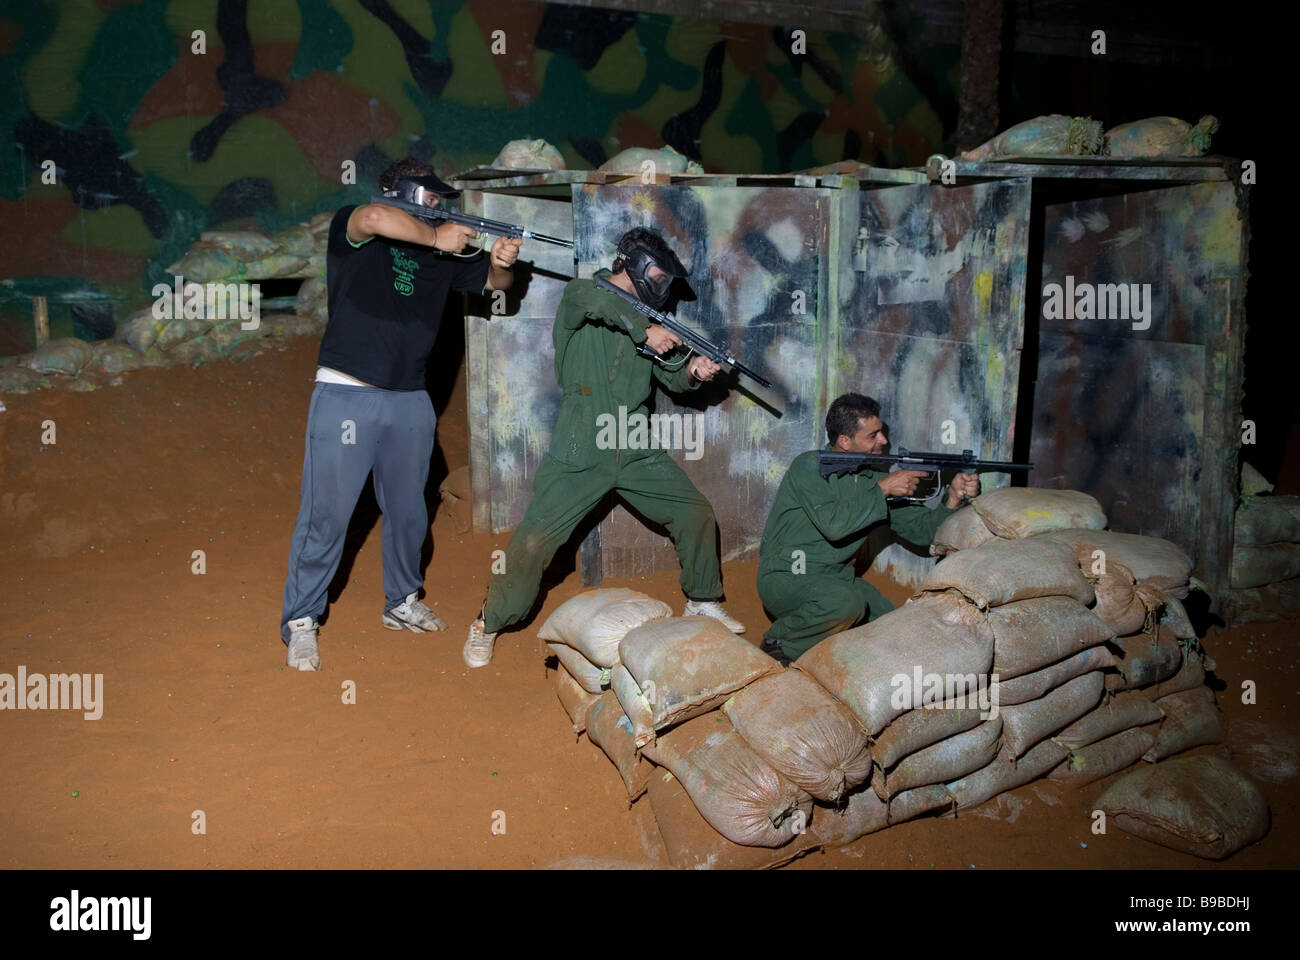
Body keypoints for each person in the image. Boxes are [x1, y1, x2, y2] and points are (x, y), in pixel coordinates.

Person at [279, 157, 520, 671]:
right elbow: (372, 219)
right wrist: (437, 238)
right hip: (346, 392)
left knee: (410, 510)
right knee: (327, 514)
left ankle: (402, 602)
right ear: (404, 192)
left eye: (441, 202)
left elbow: (496, 284)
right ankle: (301, 620)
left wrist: (501, 259)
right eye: (431, 199)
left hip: (410, 397)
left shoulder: (443, 252)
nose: (439, 207)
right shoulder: (361, 226)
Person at [464, 227, 745, 668]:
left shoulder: (654, 319)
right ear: (631, 262)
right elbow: (592, 300)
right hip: (582, 442)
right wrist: (644, 330)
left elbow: (672, 376)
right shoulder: (584, 294)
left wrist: (695, 370)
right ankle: (489, 621)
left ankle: (702, 600)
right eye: (656, 272)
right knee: (533, 542)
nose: (663, 284)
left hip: (633, 440)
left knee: (694, 511)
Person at [756, 392, 980, 664]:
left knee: (901, 627)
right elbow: (835, 526)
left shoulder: (873, 477)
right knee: (846, 604)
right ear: (844, 442)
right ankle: (779, 643)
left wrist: (953, 498)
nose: (884, 441)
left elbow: (922, 532)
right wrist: (883, 489)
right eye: (873, 436)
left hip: (838, 581)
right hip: (786, 576)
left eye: (881, 433)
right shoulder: (809, 466)